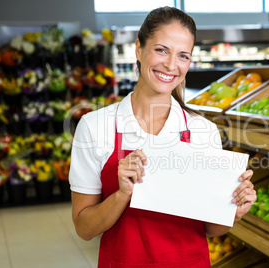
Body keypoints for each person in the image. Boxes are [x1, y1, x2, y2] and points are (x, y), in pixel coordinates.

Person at [69, 6, 257, 267]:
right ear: (138, 49)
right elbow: (83, 228)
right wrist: (122, 194)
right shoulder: (95, 127)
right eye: (161, 50)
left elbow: (209, 228)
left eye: (183, 56)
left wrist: (233, 211)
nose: (171, 65)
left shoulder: (203, 131)